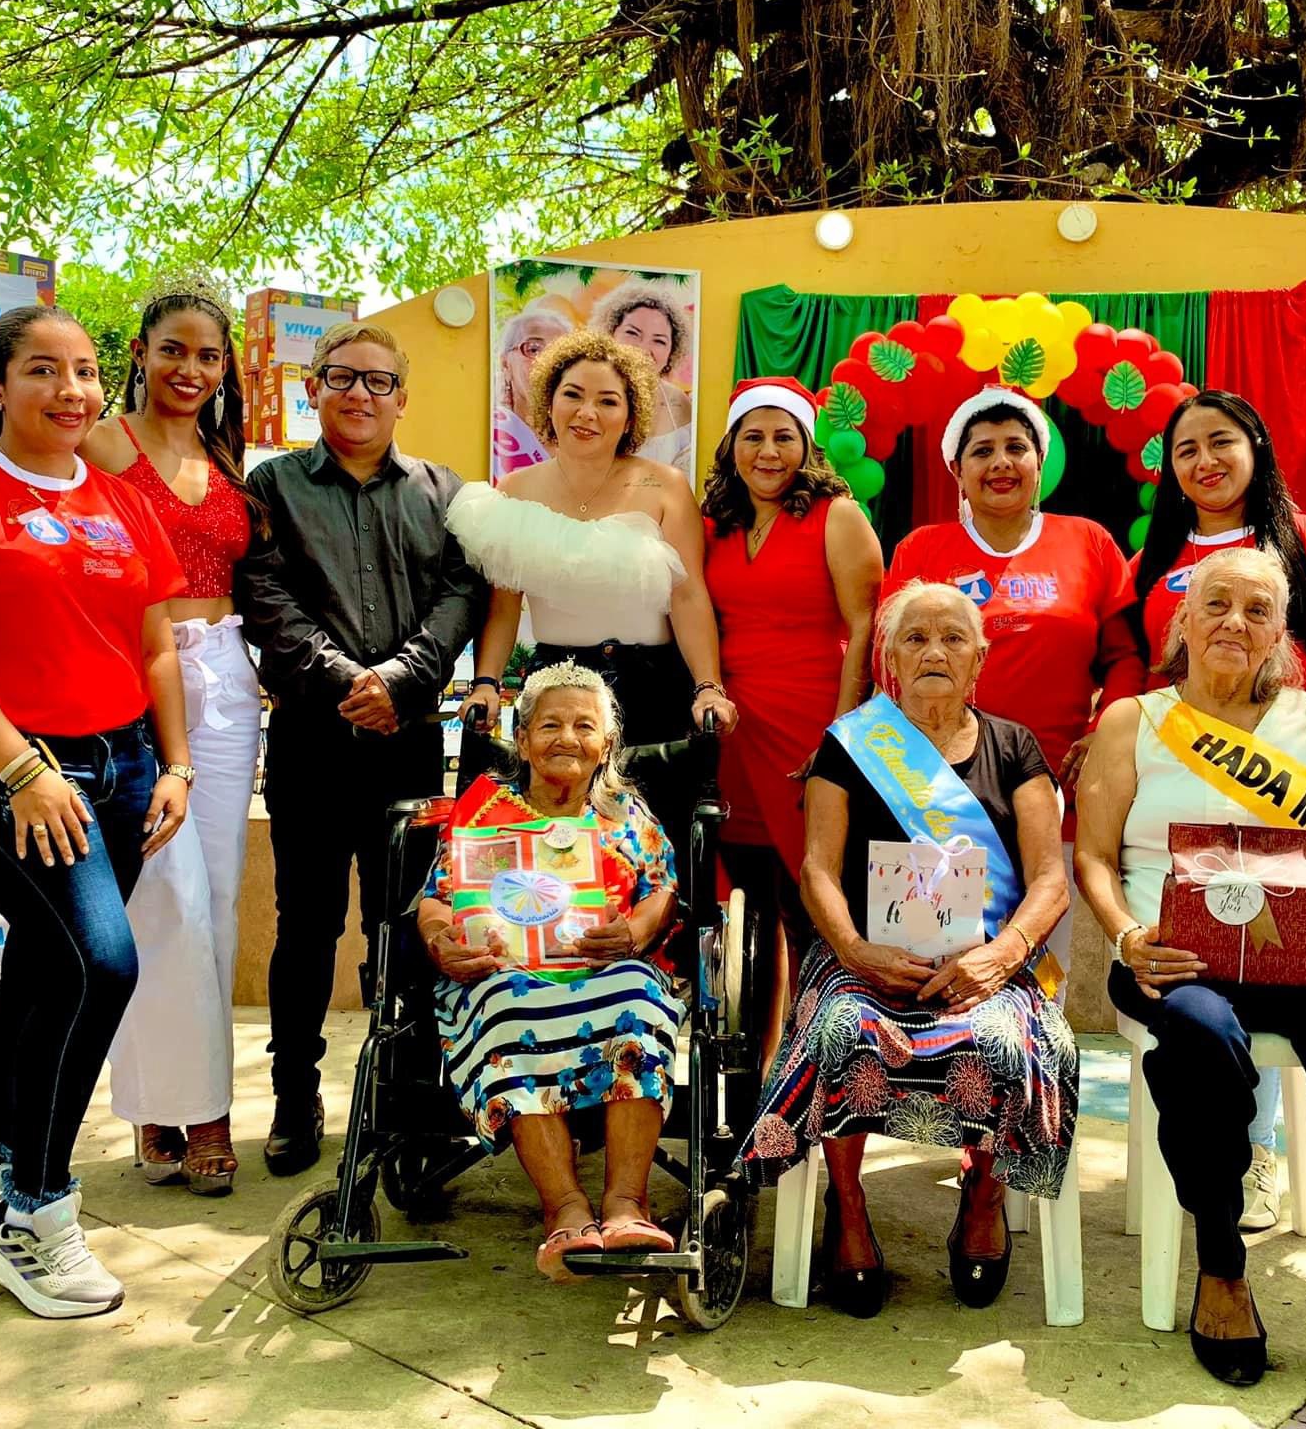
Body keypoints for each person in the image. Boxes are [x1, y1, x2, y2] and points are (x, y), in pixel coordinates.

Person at [1075, 547, 1306, 1425]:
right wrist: (1127, 936)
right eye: (1217, 605)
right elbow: (1091, 856)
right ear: (1182, 624)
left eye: (1257, 611)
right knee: (1200, 1035)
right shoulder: (1133, 721)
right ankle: (1222, 1269)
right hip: (1179, 962)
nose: (1234, 623)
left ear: (1280, 634)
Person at [0, 304, 191, 1319]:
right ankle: (33, 1216)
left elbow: (157, 646)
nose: (70, 390)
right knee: (99, 965)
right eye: (42, 370)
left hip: (124, 769)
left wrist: (176, 765)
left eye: (85, 371)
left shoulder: (122, 502)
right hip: (10, 777)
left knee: (42, 968)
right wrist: (25, 770)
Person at [737, 582, 1077, 1319]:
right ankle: (849, 1207)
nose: (934, 652)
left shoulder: (1014, 747)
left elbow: (1051, 878)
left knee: (1009, 1041)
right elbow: (817, 870)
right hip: (866, 962)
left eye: (953, 638)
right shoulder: (851, 745)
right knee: (839, 1031)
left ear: (980, 658)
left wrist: (1003, 955)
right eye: (915, 638)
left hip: (985, 966)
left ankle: (983, 1194)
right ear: (889, 659)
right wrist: (856, 950)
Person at [1111, 389, 1306, 1228]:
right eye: (1186, 448)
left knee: (1278, 942)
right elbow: (1130, 658)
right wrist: (1112, 731)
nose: (1205, 461)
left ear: (1257, 447)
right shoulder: (1154, 554)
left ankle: (1258, 1151)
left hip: (1290, 763)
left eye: (1221, 442)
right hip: (1180, 768)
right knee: (1213, 956)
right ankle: (1222, 1156)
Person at [237, 318, 483, 1178]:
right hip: (310, 740)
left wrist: (404, 681)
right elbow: (262, 594)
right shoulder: (271, 487)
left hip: (409, 745)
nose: (360, 394)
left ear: (402, 398)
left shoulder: (443, 493)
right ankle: (294, 1096)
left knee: (405, 930)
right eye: (342, 376)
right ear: (313, 388)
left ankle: (401, 1108)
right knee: (306, 928)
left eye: (380, 381)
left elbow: (461, 594)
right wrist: (351, 683)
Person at [80, 280, 259, 1196]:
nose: (190, 369)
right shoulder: (103, 443)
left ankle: (182, 1101)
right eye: (173, 350)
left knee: (216, 900)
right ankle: (190, 1110)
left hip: (226, 678)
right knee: (166, 899)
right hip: (137, 678)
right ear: (140, 355)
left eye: (208, 355)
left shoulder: (228, 457)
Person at [416, 662, 682, 1279]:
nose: (567, 738)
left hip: (605, 971)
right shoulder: (485, 811)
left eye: (584, 726)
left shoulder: (625, 814)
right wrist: (438, 938)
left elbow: (662, 889)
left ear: (606, 743)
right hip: (502, 976)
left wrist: (636, 932)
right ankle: (564, 1209)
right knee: (507, 1009)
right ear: (523, 738)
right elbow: (437, 895)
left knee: (639, 998)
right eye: (550, 725)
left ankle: (627, 1204)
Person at [883, 385, 1144, 976]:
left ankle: (1040, 1038)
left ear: (1039, 462)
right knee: (937, 954)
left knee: (1043, 959)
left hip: (1058, 783)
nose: (1000, 463)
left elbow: (1127, 656)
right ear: (957, 470)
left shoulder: (1089, 542)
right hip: (942, 790)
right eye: (982, 451)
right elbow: (889, 661)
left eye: (1015, 448)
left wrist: (1105, 732)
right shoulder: (922, 549)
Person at [700, 376, 883, 1059]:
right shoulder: (714, 525)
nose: (768, 452)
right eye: (753, 436)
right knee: (748, 920)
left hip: (811, 730)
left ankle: (820, 1072)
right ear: (731, 446)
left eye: (784, 437)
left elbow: (865, 627)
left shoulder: (838, 516)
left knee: (815, 908)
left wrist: (840, 738)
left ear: (807, 445)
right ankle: (756, 1077)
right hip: (735, 737)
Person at [451, 329, 738, 747]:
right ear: (549, 402)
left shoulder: (668, 486)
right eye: (573, 395)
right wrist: (486, 682)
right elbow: (503, 605)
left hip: (653, 687)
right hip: (553, 687)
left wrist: (708, 686)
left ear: (630, 417)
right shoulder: (514, 488)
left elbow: (688, 595)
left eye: (607, 401)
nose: (587, 413)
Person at [591, 280, 696, 481]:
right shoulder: (586, 391)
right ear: (610, 333)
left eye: (659, 340)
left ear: (671, 351)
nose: (643, 348)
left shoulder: (680, 402)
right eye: (632, 333)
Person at [491, 304, 572, 481]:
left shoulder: (582, 441)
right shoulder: (487, 431)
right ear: (505, 365)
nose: (547, 362)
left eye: (560, 354)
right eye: (534, 349)